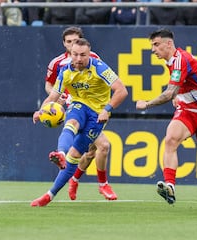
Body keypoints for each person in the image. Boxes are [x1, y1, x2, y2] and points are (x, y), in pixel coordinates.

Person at [31, 38, 128, 207]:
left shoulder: (99, 67)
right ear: (70, 54)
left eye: (82, 55)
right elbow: (53, 96)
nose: (78, 59)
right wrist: (41, 110)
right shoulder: (66, 71)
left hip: (98, 115)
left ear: (89, 54)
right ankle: (60, 153)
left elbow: (122, 90)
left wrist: (107, 109)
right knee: (72, 123)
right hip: (79, 105)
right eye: (75, 54)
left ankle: (50, 195)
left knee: (76, 156)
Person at [136, 28, 197, 204]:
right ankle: (170, 186)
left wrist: (146, 103)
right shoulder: (171, 61)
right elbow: (180, 86)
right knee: (171, 139)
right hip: (187, 110)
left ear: (169, 44)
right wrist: (179, 95)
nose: (153, 49)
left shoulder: (180, 60)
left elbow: (169, 93)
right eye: (152, 45)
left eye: (156, 44)